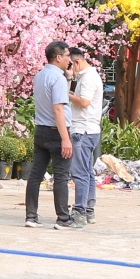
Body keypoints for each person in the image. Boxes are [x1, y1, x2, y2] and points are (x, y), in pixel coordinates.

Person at [26, 41, 81, 229]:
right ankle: (63, 218)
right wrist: (65, 138)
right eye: (67, 56)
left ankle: (31, 216)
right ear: (58, 57)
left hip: (41, 130)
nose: (69, 60)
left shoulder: (40, 75)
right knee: (61, 176)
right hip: (57, 132)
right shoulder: (57, 78)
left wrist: (68, 78)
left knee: (35, 175)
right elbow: (58, 109)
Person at [66, 45, 103, 224]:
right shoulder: (90, 76)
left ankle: (79, 210)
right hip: (90, 130)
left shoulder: (87, 78)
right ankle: (89, 208)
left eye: (69, 65)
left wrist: (67, 94)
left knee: (79, 172)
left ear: (77, 62)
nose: (69, 70)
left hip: (83, 131)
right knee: (87, 172)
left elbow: (84, 102)